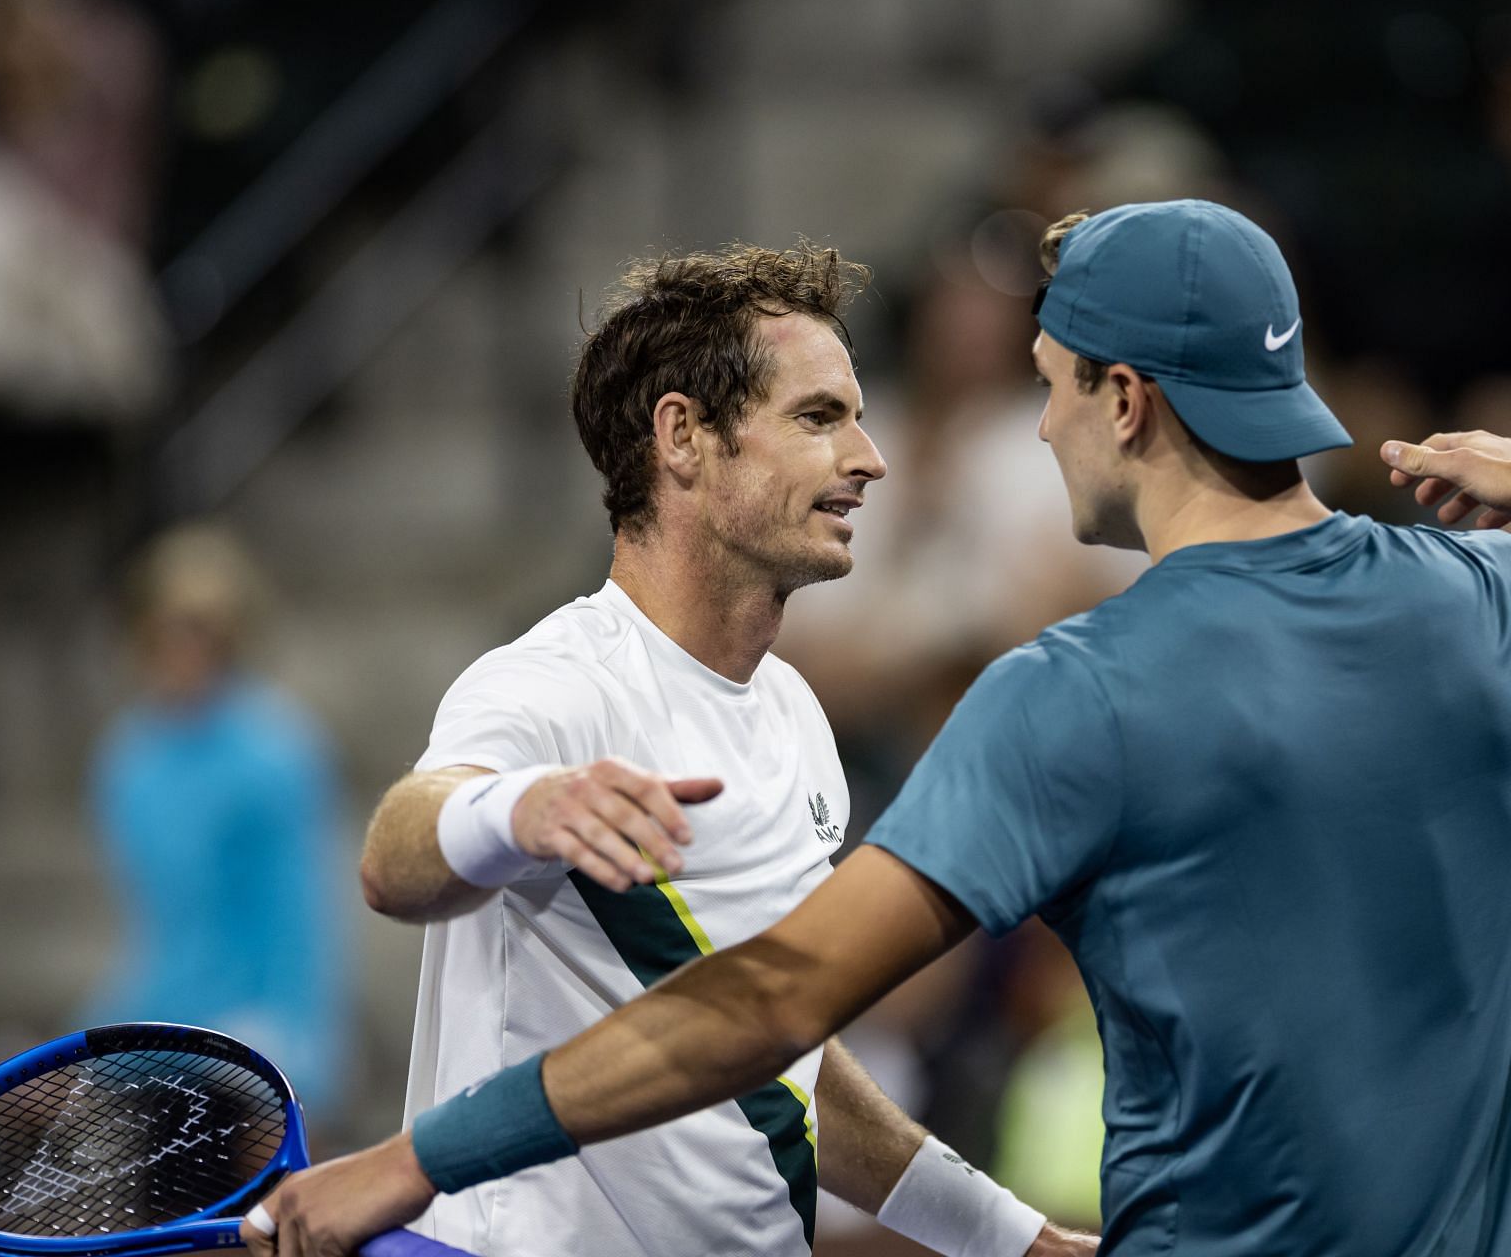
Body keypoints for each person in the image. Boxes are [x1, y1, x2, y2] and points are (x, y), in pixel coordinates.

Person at [246, 201, 1511, 1256]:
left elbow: (772, 1013)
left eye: (1047, 387)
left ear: (1124, 400)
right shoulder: (1488, 603)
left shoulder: (1070, 690)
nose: (1022, 428)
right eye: (825, 418)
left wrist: (405, 1161)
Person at [343, 244, 1088, 1257]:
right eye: (819, 417)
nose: (870, 457)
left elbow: (786, 1058)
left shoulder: (794, 712)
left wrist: (1013, 1239)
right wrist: (523, 808)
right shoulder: (556, 680)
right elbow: (395, 858)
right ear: (684, 437)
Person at [85, 524, 346, 1116]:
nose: (183, 649)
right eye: (168, 629)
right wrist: (99, 1040)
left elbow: (299, 923)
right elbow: (161, 930)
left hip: (251, 1062)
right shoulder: (127, 761)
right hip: (161, 1052)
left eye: (201, 631)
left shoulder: (279, 752)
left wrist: (300, 1063)